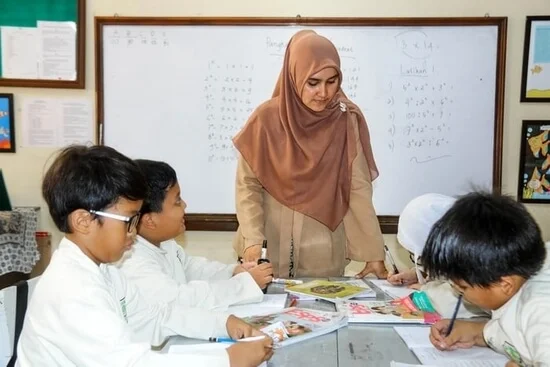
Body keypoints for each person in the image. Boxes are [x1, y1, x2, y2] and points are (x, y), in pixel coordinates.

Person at [16, 145, 273, 367]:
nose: (134, 230)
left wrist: (223, 323)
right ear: (84, 221)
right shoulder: (72, 291)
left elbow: (155, 316)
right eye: (128, 220)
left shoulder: (105, 269)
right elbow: (132, 364)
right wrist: (227, 361)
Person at [232, 29, 386, 279]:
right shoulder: (266, 118)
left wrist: (373, 253)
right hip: (265, 247)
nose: (323, 93)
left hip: (322, 249)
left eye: (331, 81)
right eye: (313, 82)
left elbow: (357, 187)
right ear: (295, 77)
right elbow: (248, 186)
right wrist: (252, 239)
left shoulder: (345, 120)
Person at [118, 159, 272, 309]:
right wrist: (244, 286)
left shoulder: (164, 243)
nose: (185, 205)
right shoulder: (133, 261)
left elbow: (190, 268)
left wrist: (233, 272)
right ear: (150, 221)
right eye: (177, 201)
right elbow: (179, 300)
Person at [422, 191, 550, 366]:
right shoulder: (515, 286)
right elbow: (513, 330)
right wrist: (475, 332)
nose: (458, 292)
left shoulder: (540, 310)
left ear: (504, 284)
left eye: (463, 287)